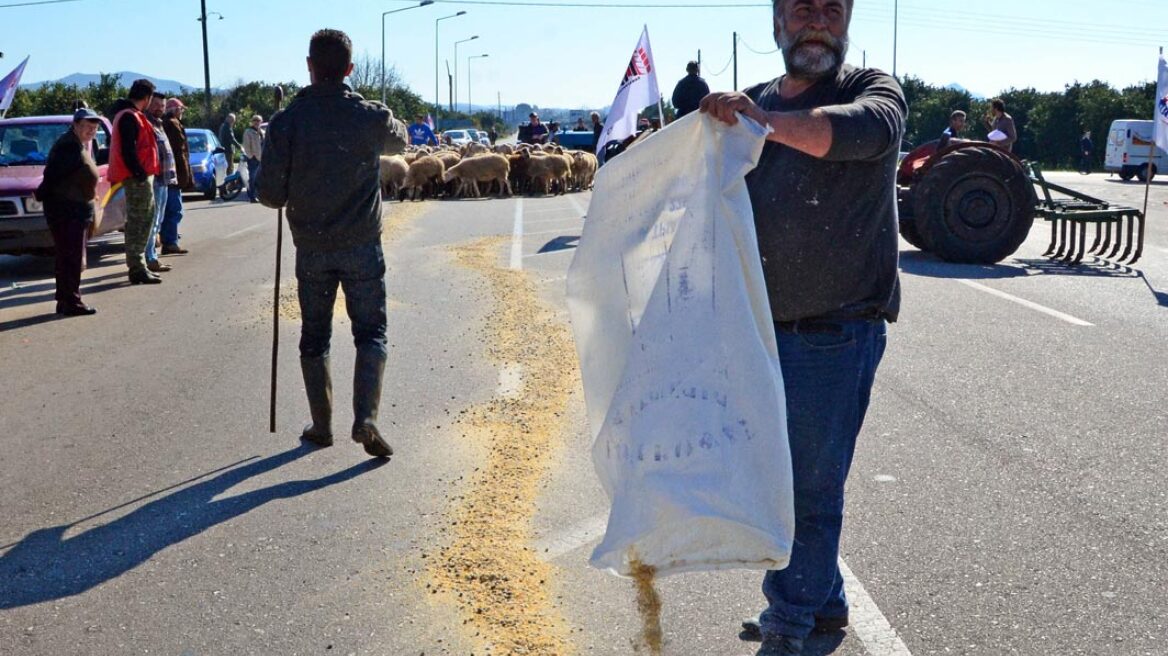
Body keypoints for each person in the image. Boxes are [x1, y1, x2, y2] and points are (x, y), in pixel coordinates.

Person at [699, 0, 906, 653]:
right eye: (800, 7)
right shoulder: (752, 104)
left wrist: (759, 121)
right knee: (775, 476)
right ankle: (825, 604)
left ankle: (788, 624)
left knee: (808, 488)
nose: (816, 18)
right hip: (759, 330)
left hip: (837, 331)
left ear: (846, 21)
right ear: (777, 23)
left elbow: (853, 131)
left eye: (831, 7)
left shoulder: (870, 90)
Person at [257, 28, 407, 459]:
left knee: (314, 337)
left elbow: (271, 195)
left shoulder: (287, 122)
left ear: (309, 67)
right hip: (362, 246)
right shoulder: (367, 117)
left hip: (313, 249)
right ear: (349, 70)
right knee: (371, 332)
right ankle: (367, 419)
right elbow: (400, 138)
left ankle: (322, 427)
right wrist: (370, 107)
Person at [35, 108, 104, 315]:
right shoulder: (68, 147)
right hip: (67, 210)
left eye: (94, 128)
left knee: (68, 257)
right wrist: (40, 194)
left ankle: (65, 300)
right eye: (86, 126)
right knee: (71, 258)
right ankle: (72, 302)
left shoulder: (75, 144)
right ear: (75, 125)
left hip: (73, 208)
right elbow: (52, 176)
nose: (91, 130)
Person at [109, 78, 162, 285]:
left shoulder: (131, 115)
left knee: (143, 220)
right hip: (136, 178)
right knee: (140, 222)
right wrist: (139, 173)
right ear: (147, 98)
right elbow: (128, 150)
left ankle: (139, 266)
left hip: (139, 176)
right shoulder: (129, 117)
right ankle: (137, 268)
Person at [144, 92, 176, 274]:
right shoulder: (147, 124)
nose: (159, 108)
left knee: (158, 220)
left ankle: (151, 256)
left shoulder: (159, 124)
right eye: (156, 104)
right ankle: (150, 258)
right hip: (154, 180)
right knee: (153, 221)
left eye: (162, 106)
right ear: (148, 104)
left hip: (164, 180)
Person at [160, 98, 191, 255]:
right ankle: (170, 241)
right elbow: (179, 152)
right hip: (173, 174)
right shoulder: (172, 124)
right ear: (174, 110)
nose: (182, 112)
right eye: (181, 110)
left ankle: (169, 238)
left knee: (170, 209)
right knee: (174, 210)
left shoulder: (167, 123)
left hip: (171, 173)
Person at [242, 114, 264, 203]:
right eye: (255, 120)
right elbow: (246, 145)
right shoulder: (248, 132)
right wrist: (251, 156)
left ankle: (257, 195)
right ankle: (252, 196)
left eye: (258, 121)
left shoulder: (262, 132)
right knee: (252, 177)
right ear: (252, 121)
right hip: (253, 158)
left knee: (259, 178)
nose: (256, 122)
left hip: (261, 158)